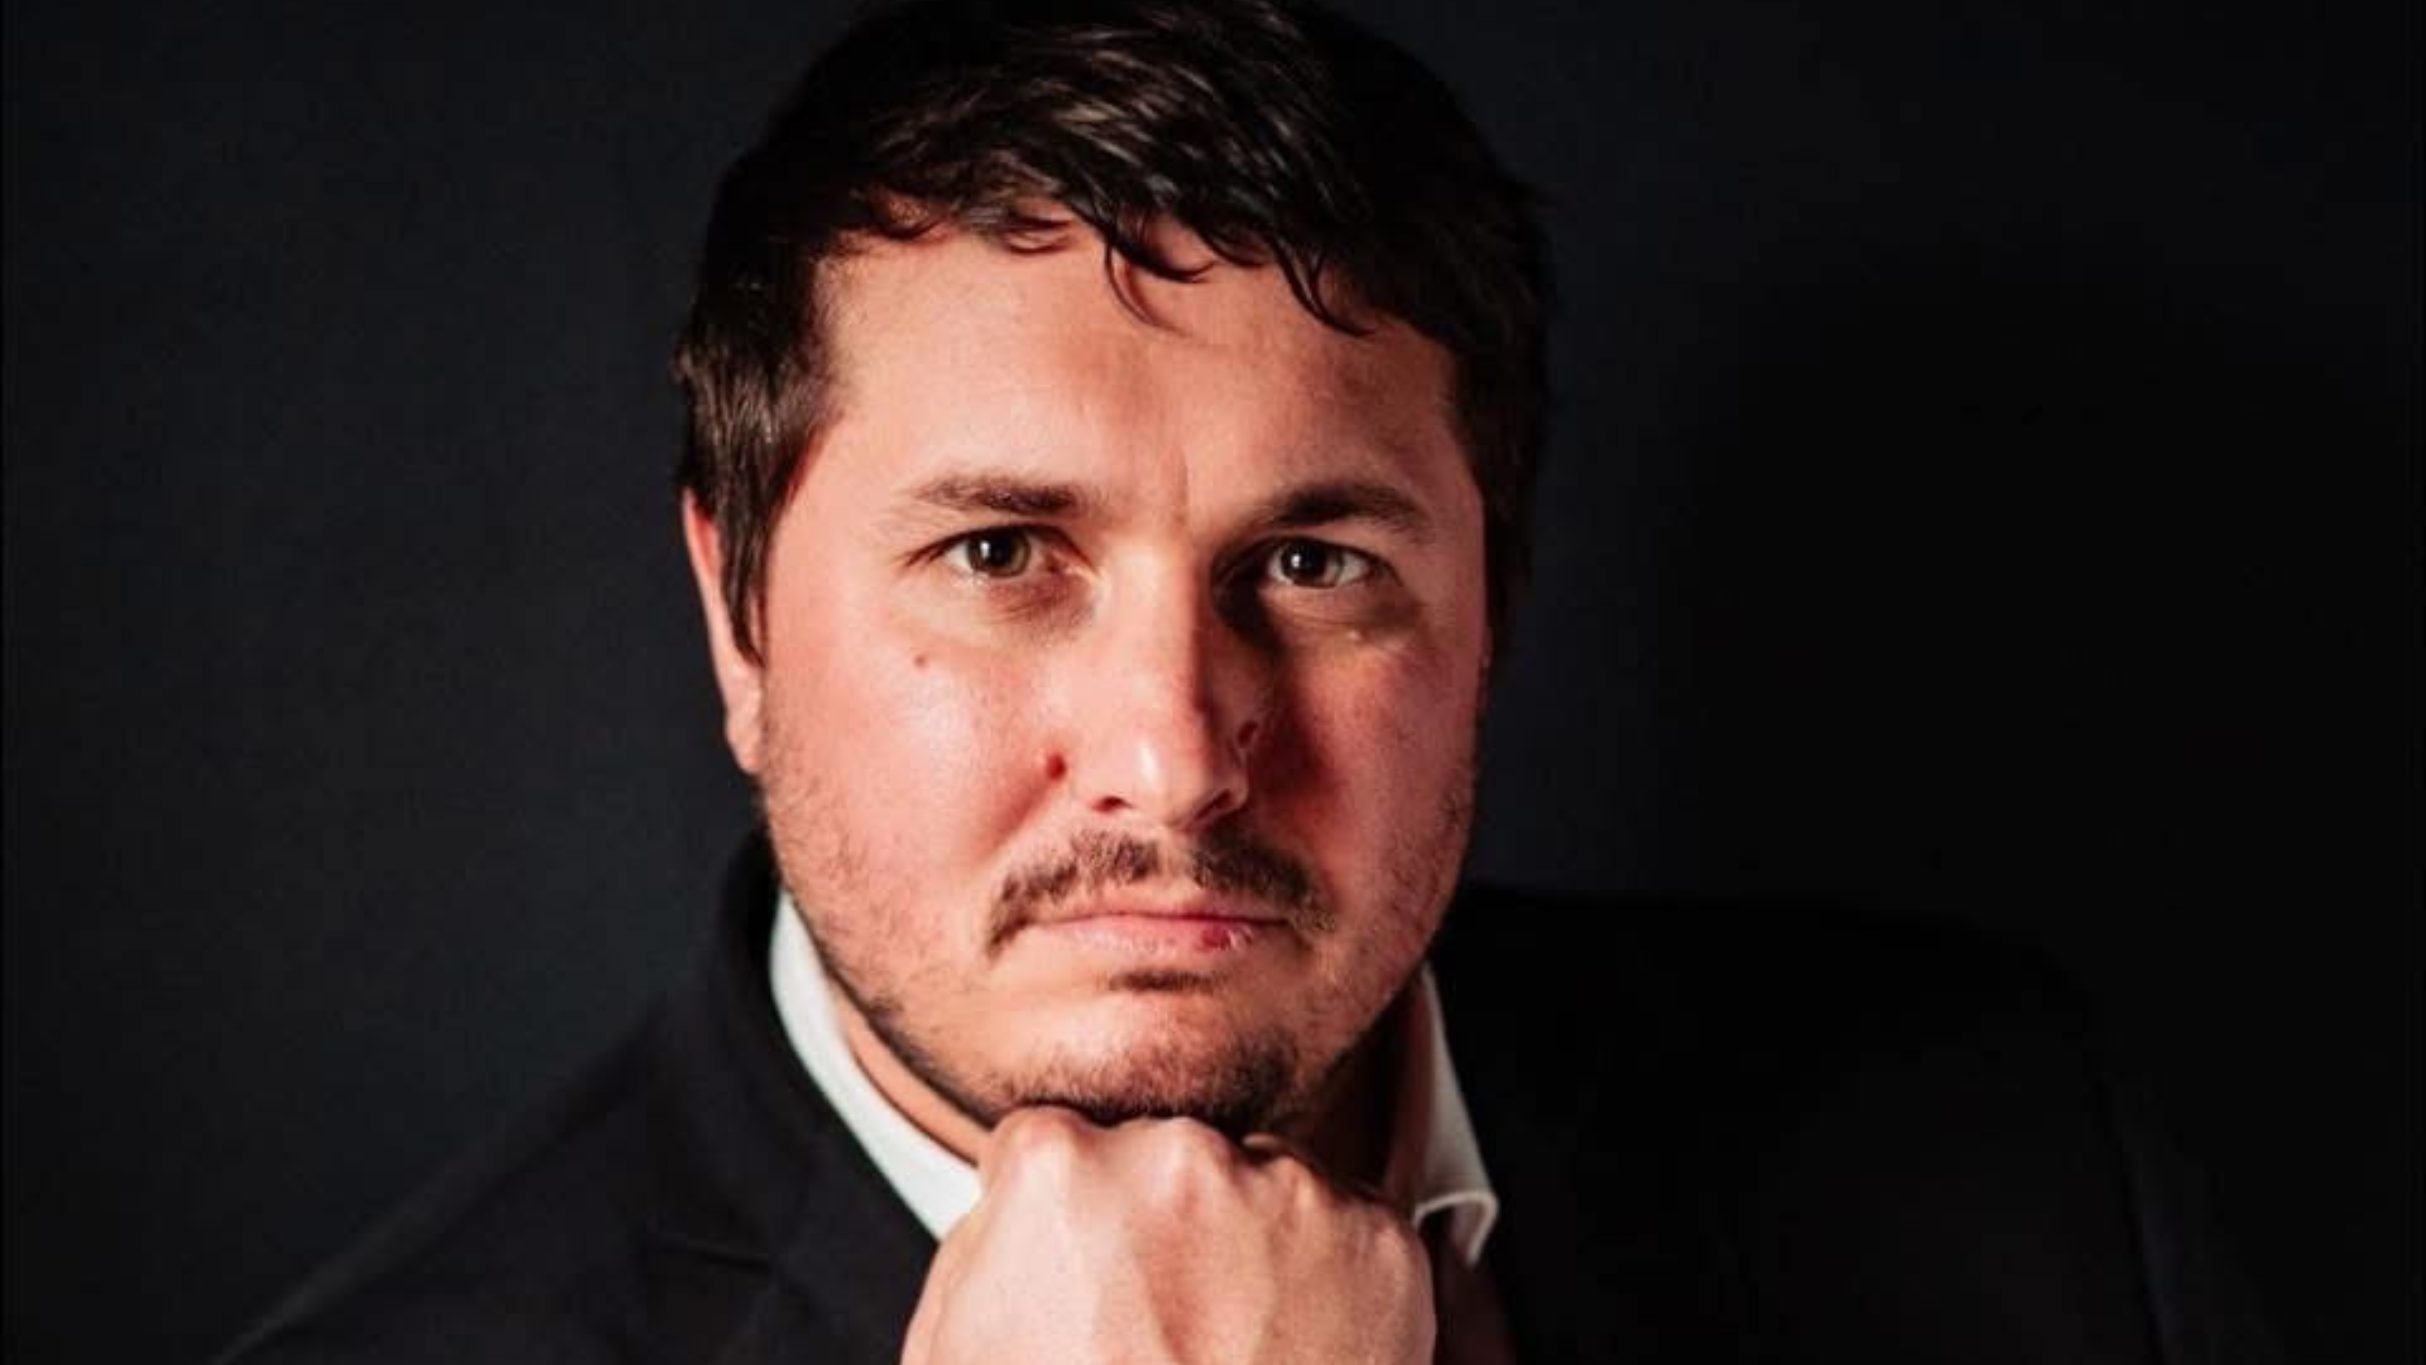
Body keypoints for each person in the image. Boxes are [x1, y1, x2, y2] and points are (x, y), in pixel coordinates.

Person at [217, 1, 2276, 1361]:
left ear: (1491, 608)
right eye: (1001, 556)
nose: (1173, 754)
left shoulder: (2011, 1154)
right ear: (738, 618)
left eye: (1310, 564)